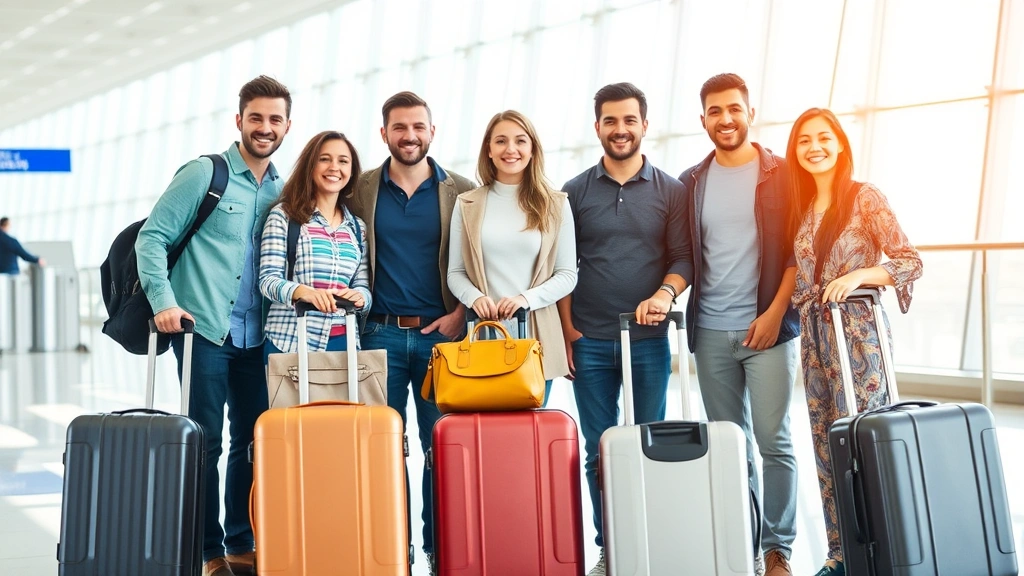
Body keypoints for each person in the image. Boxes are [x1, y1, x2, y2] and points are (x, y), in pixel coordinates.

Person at [136, 75, 292, 576]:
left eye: (274, 119)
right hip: (202, 330)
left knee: (253, 439)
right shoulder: (205, 173)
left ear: (287, 126)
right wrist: (164, 302)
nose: (265, 128)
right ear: (239, 121)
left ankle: (241, 541)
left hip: (259, 334)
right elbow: (152, 239)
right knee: (204, 441)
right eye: (256, 118)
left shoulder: (282, 190)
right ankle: (207, 550)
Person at [557, 82, 692, 576]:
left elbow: (682, 258)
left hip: (649, 344)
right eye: (610, 121)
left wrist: (665, 293)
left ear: (644, 125)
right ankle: (610, 547)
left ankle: (648, 542)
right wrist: (569, 333)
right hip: (589, 342)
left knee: (646, 444)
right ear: (597, 127)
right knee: (600, 451)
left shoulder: (671, 190)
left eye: (629, 120)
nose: (620, 129)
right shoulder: (573, 191)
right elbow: (562, 266)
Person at [787, 107, 923, 576]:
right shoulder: (802, 208)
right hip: (815, 339)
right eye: (804, 140)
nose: (815, 147)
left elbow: (909, 260)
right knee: (828, 446)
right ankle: (840, 555)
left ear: (841, 143)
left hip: (859, 339)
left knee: (867, 439)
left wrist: (862, 274)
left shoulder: (865, 197)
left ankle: (889, 550)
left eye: (823, 138)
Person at [347, 90, 476, 568]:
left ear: (432, 132)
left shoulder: (461, 189)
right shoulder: (359, 189)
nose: (410, 136)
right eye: (399, 128)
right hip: (377, 334)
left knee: (439, 446)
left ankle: (441, 549)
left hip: (442, 337)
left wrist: (461, 313)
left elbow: (476, 262)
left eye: (418, 127)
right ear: (384, 133)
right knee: (380, 448)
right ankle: (390, 545)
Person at [678, 72, 799, 576]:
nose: (725, 119)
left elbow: (798, 252)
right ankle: (740, 540)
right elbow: (684, 253)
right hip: (709, 332)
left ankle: (777, 550)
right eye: (714, 111)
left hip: (766, 331)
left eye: (733, 109)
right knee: (729, 444)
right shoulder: (691, 181)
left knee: (775, 443)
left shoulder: (782, 175)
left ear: (751, 113)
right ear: (703, 119)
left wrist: (774, 315)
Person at [447, 110, 577, 403]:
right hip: (482, 335)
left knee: (528, 436)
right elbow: (455, 272)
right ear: (489, 151)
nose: (511, 149)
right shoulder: (467, 204)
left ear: (532, 150)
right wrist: (475, 298)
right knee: (486, 434)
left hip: (537, 336)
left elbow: (567, 275)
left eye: (520, 141)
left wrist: (524, 299)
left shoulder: (555, 204)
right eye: (501, 141)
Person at [258, 131, 370, 360]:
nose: (334, 167)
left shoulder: (357, 228)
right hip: (290, 341)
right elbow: (268, 280)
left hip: (344, 346)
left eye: (343, 161)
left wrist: (360, 297)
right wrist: (305, 293)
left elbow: (364, 286)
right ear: (310, 166)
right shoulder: (283, 217)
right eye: (324, 159)